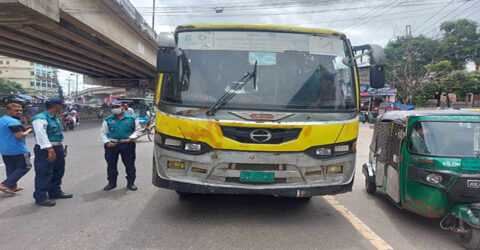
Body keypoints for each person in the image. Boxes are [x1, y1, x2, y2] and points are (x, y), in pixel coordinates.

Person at [32, 98, 73, 207]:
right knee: (44, 173)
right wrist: (49, 149)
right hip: (45, 149)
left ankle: (55, 192)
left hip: (57, 147)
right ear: (55, 105)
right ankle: (40, 197)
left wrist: (59, 148)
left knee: (58, 170)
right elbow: (41, 135)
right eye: (61, 105)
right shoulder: (40, 118)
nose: (63, 107)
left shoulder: (55, 118)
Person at [101, 101, 141, 191]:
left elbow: (138, 130)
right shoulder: (108, 120)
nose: (115, 108)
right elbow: (103, 133)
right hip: (111, 145)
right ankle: (112, 183)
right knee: (111, 165)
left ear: (123, 107)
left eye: (117, 106)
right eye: (113, 107)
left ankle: (131, 183)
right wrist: (107, 142)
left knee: (129, 164)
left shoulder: (132, 118)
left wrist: (131, 138)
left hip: (127, 144)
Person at [0, 103, 32, 195]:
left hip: (4, 150)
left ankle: (12, 187)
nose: (19, 112)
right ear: (8, 110)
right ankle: (5, 184)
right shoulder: (13, 121)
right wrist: (29, 130)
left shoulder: (1, 120)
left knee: (11, 168)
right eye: (16, 110)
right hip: (18, 149)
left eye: (20, 110)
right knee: (26, 166)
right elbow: (19, 135)